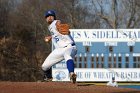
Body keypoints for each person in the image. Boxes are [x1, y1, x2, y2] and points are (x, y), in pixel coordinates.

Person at [41, 10, 77, 83]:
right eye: (47, 16)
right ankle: (48, 78)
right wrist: (51, 37)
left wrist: (59, 26)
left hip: (69, 47)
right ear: (45, 19)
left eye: (51, 16)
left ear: (54, 17)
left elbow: (58, 23)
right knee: (44, 66)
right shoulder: (50, 27)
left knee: (67, 55)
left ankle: (71, 74)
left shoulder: (55, 22)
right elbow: (56, 34)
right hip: (59, 50)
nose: (49, 17)